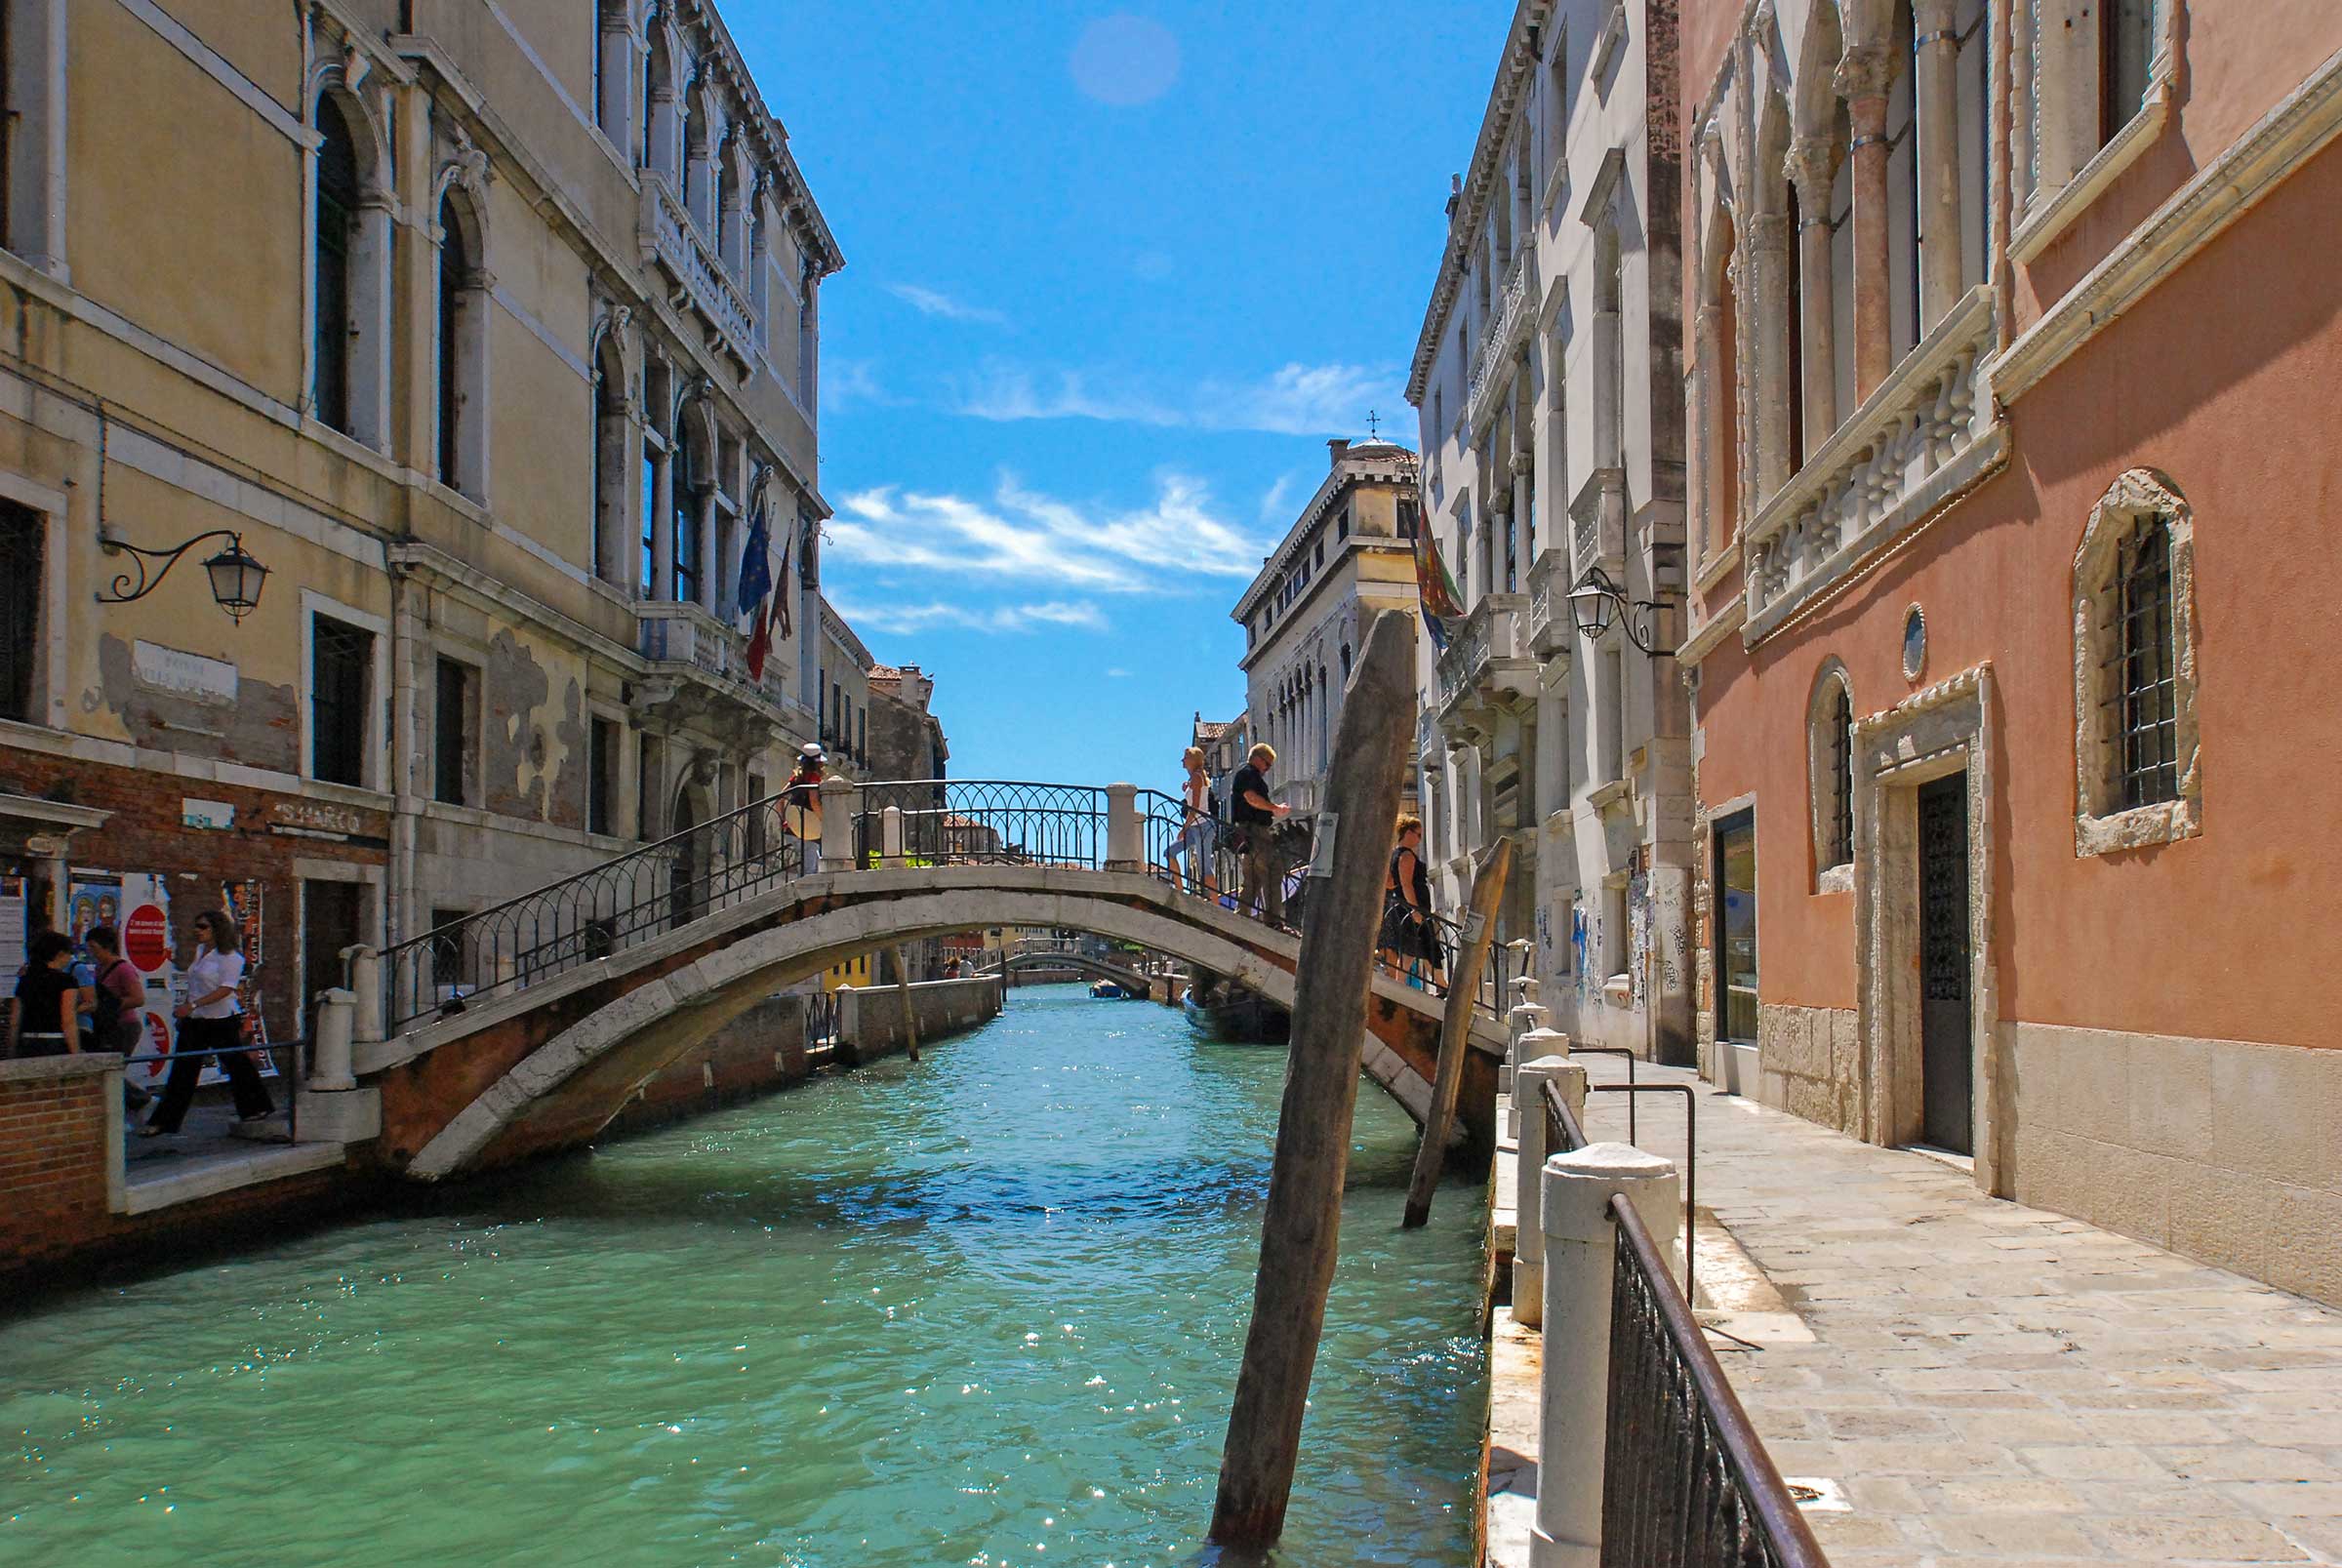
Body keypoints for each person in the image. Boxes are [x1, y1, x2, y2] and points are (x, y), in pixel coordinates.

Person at [141, 909, 273, 1137]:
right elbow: (195, 984)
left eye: (202, 927)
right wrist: (186, 1008)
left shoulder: (231, 958)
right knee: (183, 1068)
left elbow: (226, 989)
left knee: (235, 1064)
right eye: (197, 926)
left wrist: (192, 1006)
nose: (197, 931)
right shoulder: (201, 951)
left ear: (216, 929)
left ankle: (255, 1107)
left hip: (222, 1019)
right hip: (197, 1019)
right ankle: (164, 1122)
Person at [82, 925, 154, 1109]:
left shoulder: (123, 969)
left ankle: (140, 1100)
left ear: (106, 946)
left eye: (94, 947)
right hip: (105, 1026)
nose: (91, 952)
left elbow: (138, 998)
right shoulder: (98, 969)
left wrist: (109, 1006)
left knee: (112, 1072)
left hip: (124, 1026)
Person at [1381, 815, 1446, 991]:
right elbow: (1406, 884)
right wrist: (1415, 910)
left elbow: (1390, 883)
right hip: (1412, 910)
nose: (1419, 839)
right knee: (1427, 945)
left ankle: (1402, 985)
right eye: (1417, 834)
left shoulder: (1396, 854)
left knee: (1412, 949)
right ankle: (1442, 986)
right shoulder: (1407, 856)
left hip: (1405, 909)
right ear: (1407, 832)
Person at [1231, 743, 1291, 928]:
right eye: (1267, 764)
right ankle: (1273, 921)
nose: (1267, 769)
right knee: (1273, 871)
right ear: (1257, 759)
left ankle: (1241, 918)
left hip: (1246, 832)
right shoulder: (1250, 774)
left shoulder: (1244, 774)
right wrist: (1275, 808)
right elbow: (1251, 797)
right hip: (1256, 831)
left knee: (1252, 879)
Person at [10, 930, 81, 1058]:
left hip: (28, 1042)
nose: (70, 958)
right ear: (60, 954)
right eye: (70, 953)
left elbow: (15, 1020)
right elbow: (68, 1020)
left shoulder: (26, 980)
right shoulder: (67, 981)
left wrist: (11, 1050)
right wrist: (76, 1053)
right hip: (55, 1041)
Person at [1173, 745, 1220, 900]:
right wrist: (1187, 788)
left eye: (1185, 758)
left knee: (1205, 869)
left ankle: (1217, 905)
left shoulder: (1197, 777)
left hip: (1202, 826)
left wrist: (1183, 829)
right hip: (1196, 827)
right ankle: (1180, 892)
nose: (1183, 761)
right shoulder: (1196, 777)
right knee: (1170, 853)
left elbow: (1195, 807)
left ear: (1193, 760)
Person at [783, 744, 826, 871]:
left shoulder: (795, 779)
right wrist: (824, 820)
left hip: (792, 827)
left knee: (815, 865)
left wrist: (784, 819)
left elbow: (780, 798)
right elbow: (814, 802)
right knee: (809, 870)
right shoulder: (814, 778)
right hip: (808, 828)